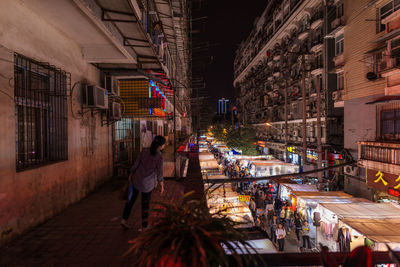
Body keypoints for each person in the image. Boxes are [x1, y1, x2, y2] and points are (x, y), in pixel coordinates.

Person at [121, 136, 166, 230]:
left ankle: (124, 220)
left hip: (136, 179)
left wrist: (131, 173)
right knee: (145, 204)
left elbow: (136, 163)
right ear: (161, 146)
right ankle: (144, 226)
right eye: (164, 144)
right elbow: (159, 172)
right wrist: (161, 185)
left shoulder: (144, 151)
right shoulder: (159, 156)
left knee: (131, 200)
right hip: (147, 184)